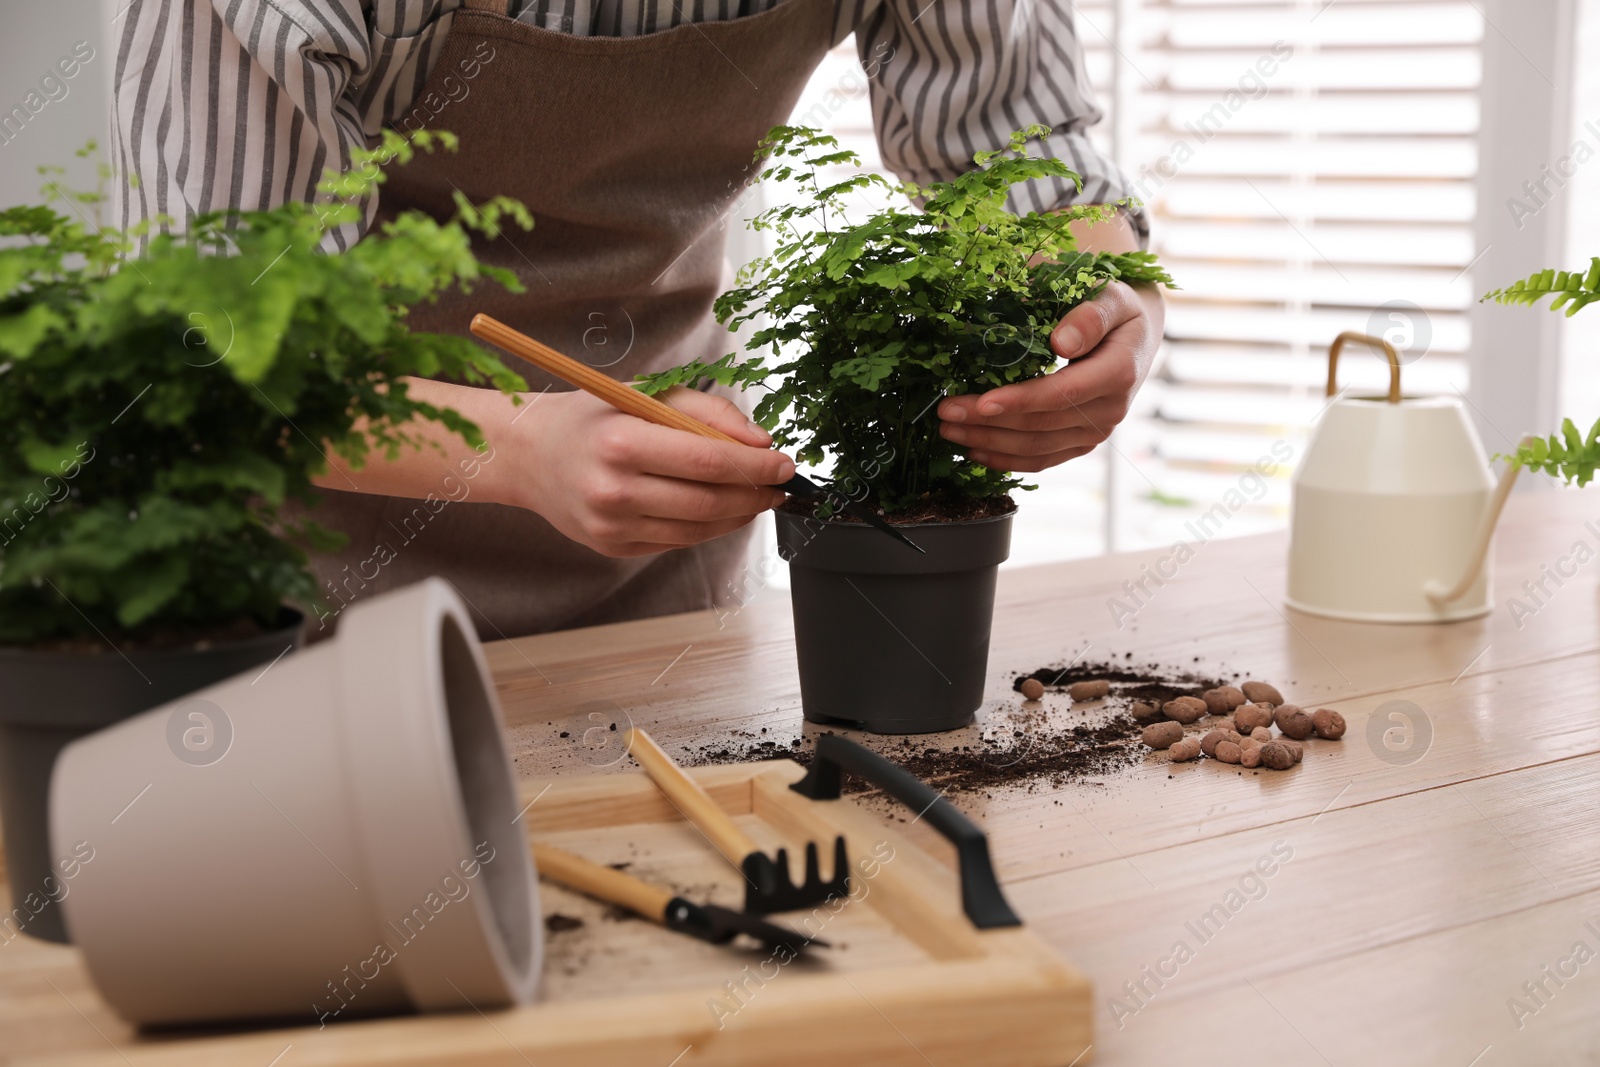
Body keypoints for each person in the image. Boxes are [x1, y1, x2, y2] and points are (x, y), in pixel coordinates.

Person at [111, 0, 1164, 638]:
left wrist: (1109, 316)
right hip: (303, 590)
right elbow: (214, 361)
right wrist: (521, 446)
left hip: (662, 574)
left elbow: (1021, 156)